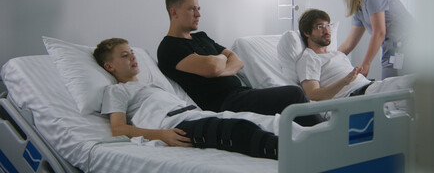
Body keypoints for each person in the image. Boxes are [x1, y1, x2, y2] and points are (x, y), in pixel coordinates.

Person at [93, 37, 302, 160]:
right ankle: (299, 155)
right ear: (109, 67)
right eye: (124, 55)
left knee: (269, 121)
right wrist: (161, 135)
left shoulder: (153, 85)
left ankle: (315, 139)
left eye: (131, 52)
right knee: (236, 130)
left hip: (196, 115)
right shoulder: (116, 91)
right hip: (174, 125)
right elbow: (118, 129)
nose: (133, 57)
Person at [157, 0, 323, 127]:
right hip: (224, 104)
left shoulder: (201, 36)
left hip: (242, 94)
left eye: (198, 9)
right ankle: (328, 136)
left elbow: (238, 61)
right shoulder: (169, 47)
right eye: (192, 9)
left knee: (292, 100)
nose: (198, 14)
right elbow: (214, 67)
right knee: (294, 94)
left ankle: (319, 135)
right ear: (174, 12)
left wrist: (219, 66)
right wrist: (221, 60)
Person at [297, 8, 415, 102]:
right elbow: (312, 95)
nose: (327, 30)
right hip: (357, 98)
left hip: (371, 88)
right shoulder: (310, 58)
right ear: (307, 32)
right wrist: (344, 81)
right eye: (320, 26)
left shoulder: (338, 55)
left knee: (421, 84)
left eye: (328, 25)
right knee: (417, 86)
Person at [335, 0, 414, 79]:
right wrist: (329, 60)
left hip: (410, 46)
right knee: (388, 89)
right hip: (391, 52)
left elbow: (379, 32)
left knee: (406, 89)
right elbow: (348, 44)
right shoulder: (358, 8)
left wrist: (366, 64)